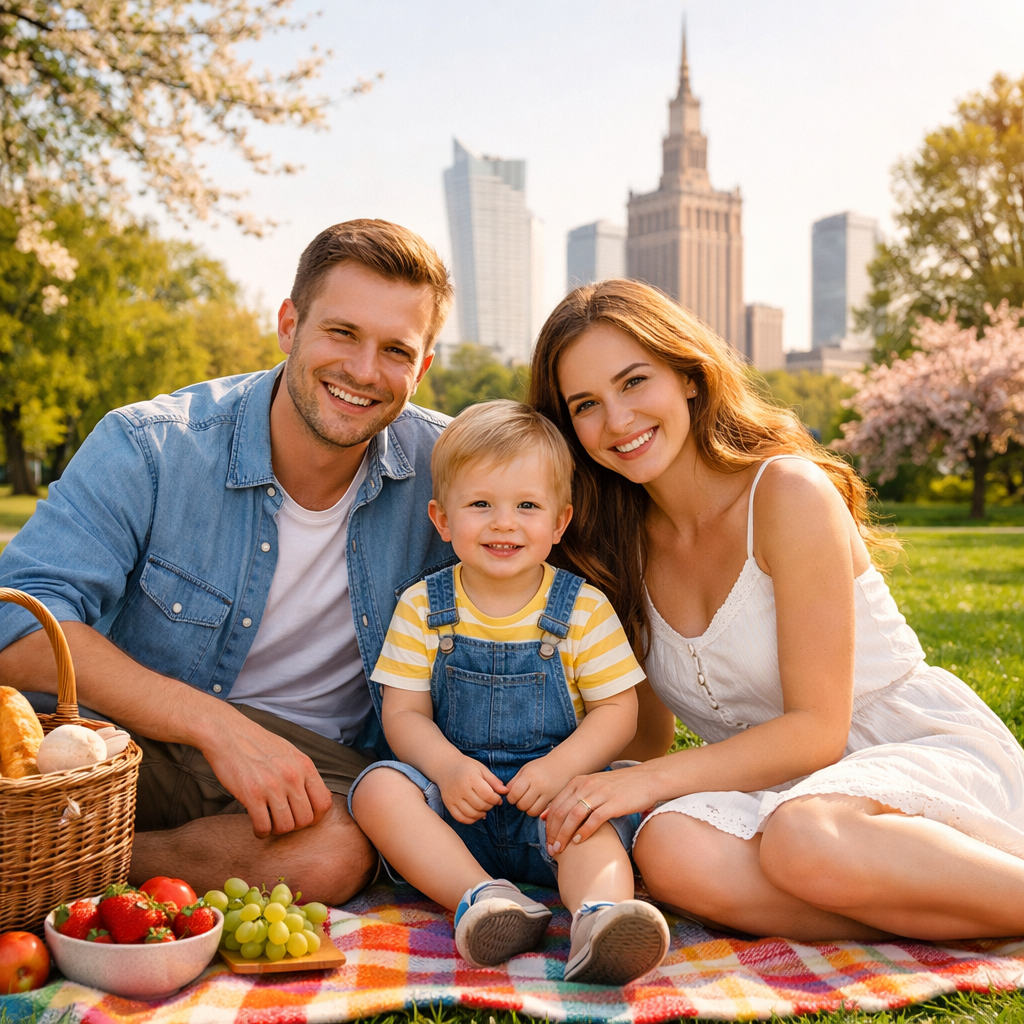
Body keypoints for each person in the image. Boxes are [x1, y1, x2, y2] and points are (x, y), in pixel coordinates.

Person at [529, 278, 1024, 942]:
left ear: (689, 377)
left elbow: (817, 733)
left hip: (908, 752)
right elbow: (645, 738)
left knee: (803, 835)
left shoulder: (787, 493)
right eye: (586, 404)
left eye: (634, 381)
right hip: (779, 793)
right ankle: (943, 913)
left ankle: (966, 893)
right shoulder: (615, 549)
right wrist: (542, 771)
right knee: (668, 845)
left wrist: (643, 784)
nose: (617, 420)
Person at [0, 219, 458, 904]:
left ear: (421, 369)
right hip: (134, 741)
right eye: (341, 333)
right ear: (289, 325)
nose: (364, 372)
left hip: (313, 773)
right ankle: (71, 848)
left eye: (396, 350)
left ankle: (67, 859)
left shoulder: (453, 473)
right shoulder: (151, 446)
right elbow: (17, 625)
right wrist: (215, 726)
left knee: (338, 851)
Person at [349, 401, 670, 984]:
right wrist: (447, 769)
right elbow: (404, 713)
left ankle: (600, 917)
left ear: (560, 522)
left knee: (590, 817)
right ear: (442, 520)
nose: (504, 523)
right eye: (480, 505)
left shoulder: (582, 608)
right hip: (456, 810)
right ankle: (484, 899)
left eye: (527, 506)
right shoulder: (422, 606)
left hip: (551, 806)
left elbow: (617, 711)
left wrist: (560, 770)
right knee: (377, 789)